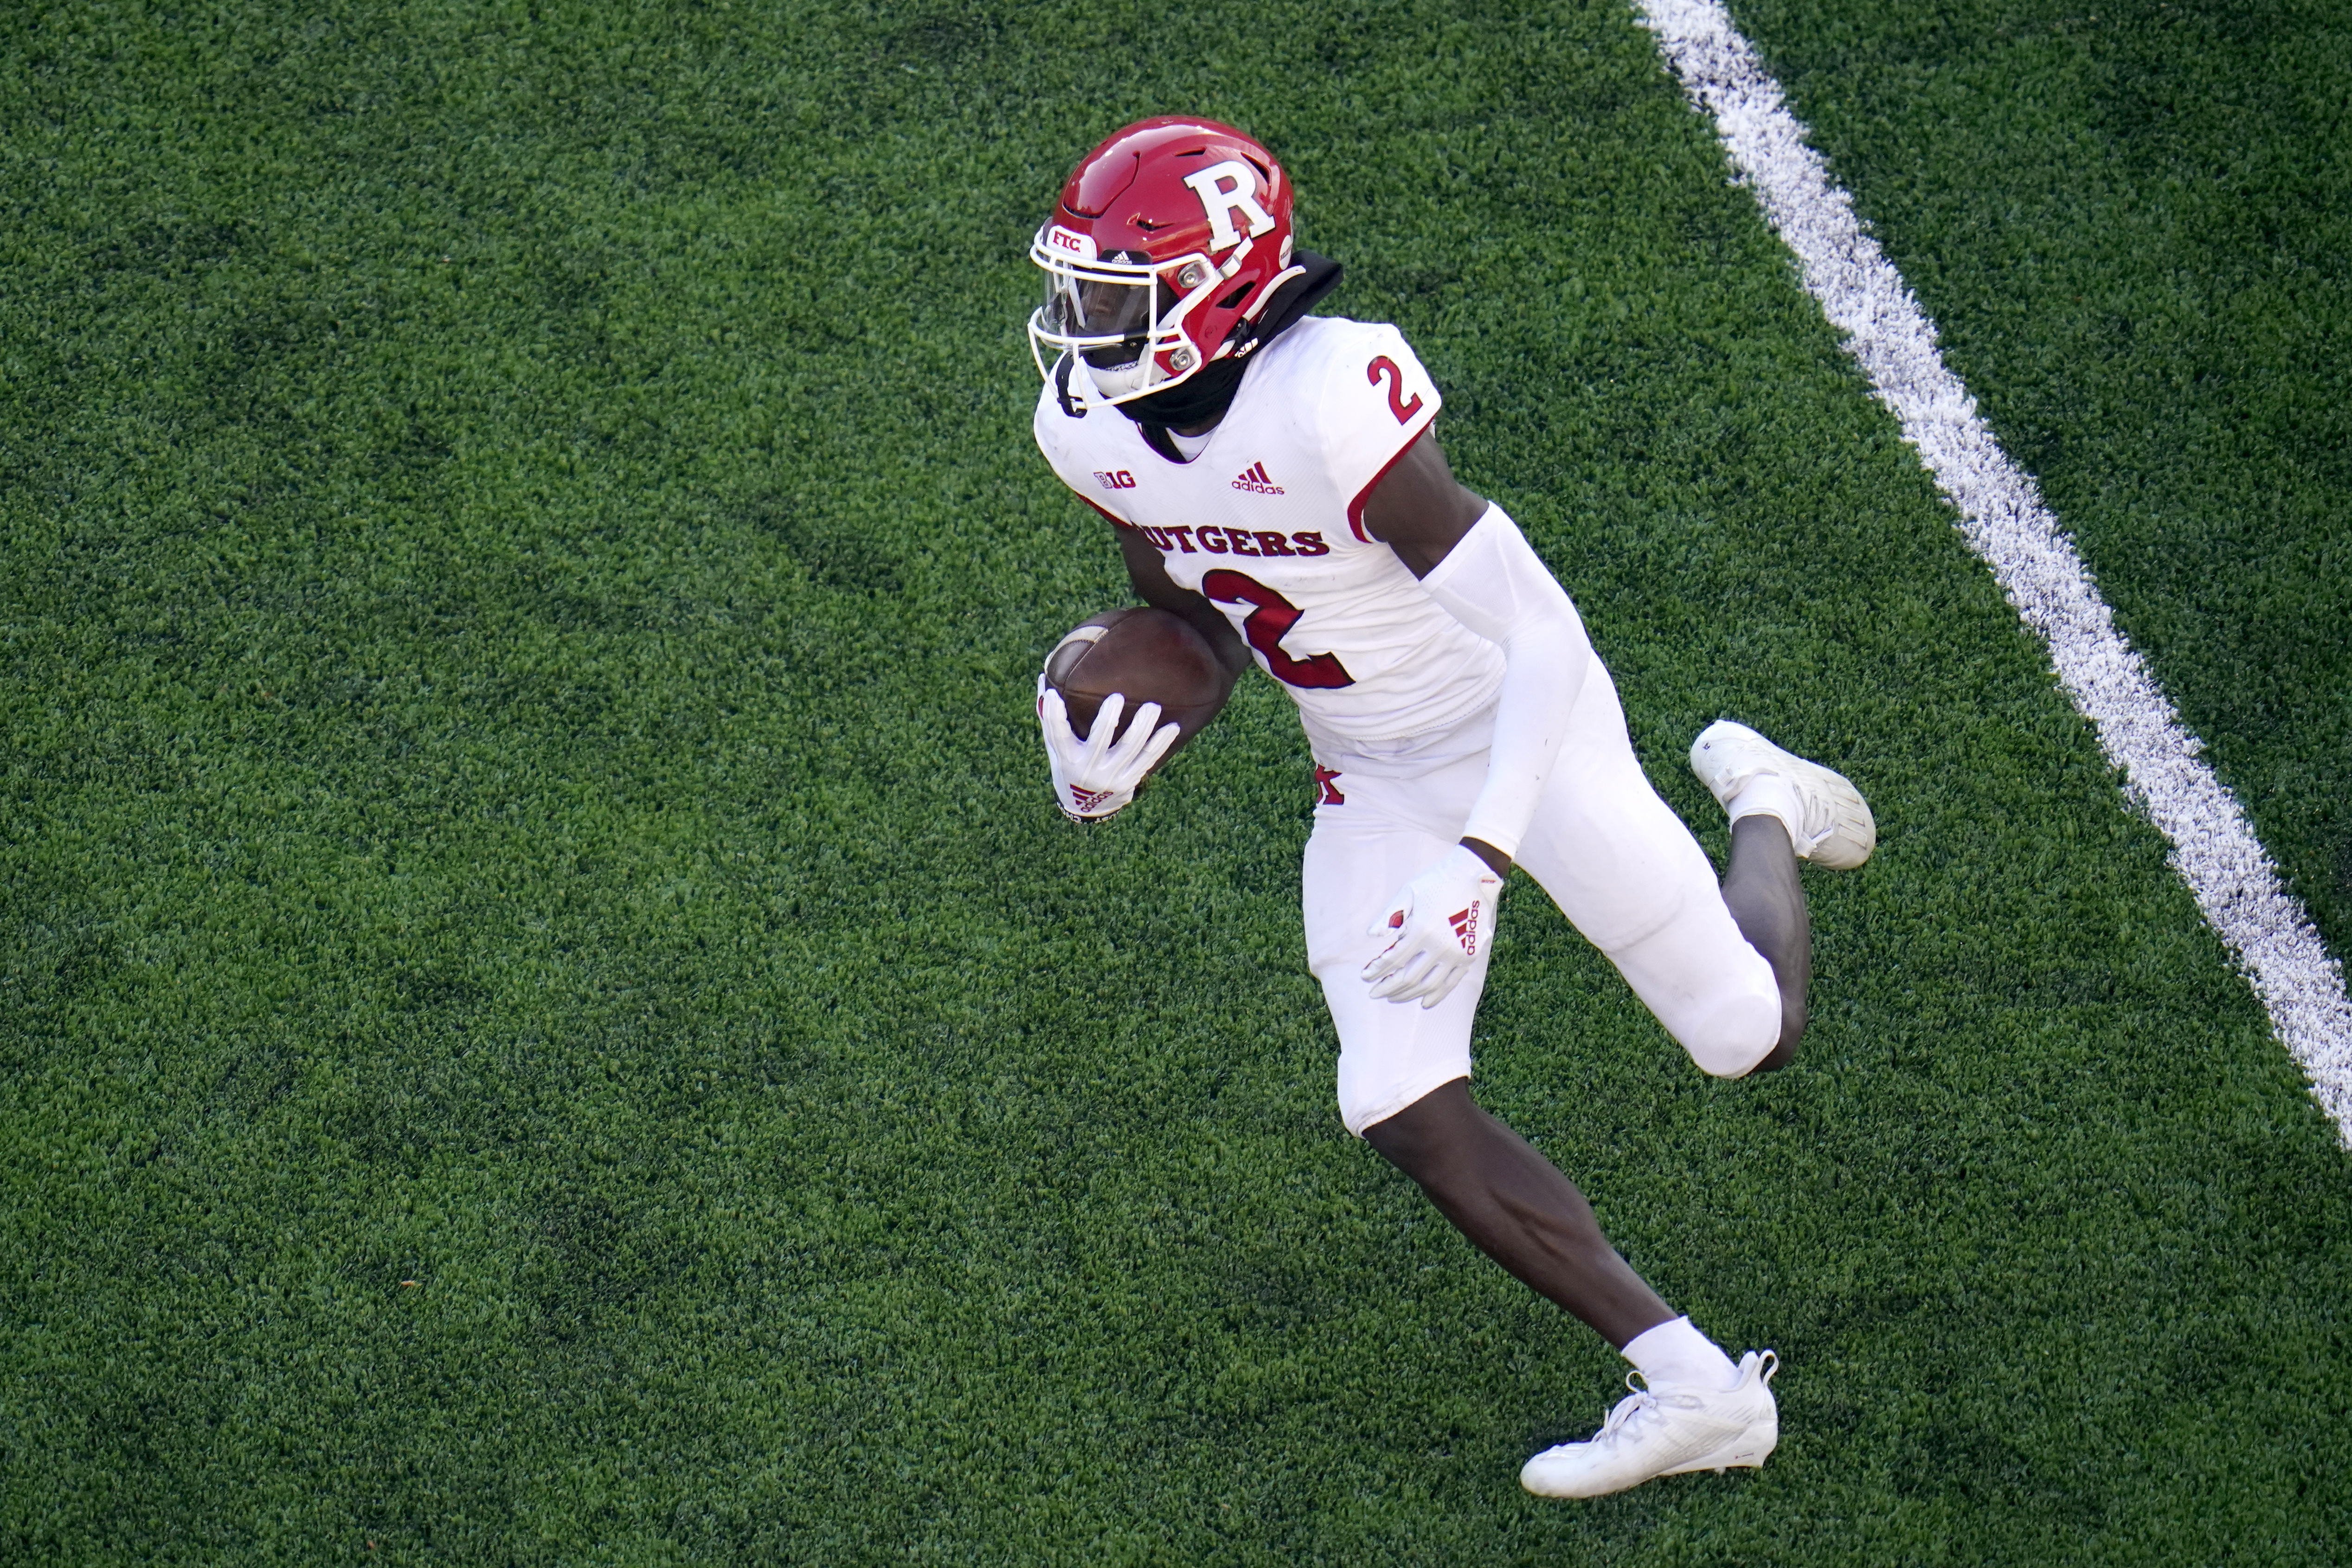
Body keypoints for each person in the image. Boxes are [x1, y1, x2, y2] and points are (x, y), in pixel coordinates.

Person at [1022, 116, 1874, 1499]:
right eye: (1081, 291)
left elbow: (1548, 637)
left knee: (1743, 1037)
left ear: (1224, 288)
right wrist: (1112, 745)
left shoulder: (1327, 398)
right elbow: (1200, 621)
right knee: (1400, 1101)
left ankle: (1763, 797)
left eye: (1121, 297)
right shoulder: (1089, 424)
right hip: (1366, 761)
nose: (1084, 330)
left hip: (1517, 728)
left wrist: (1481, 854)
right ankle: (1699, 1389)